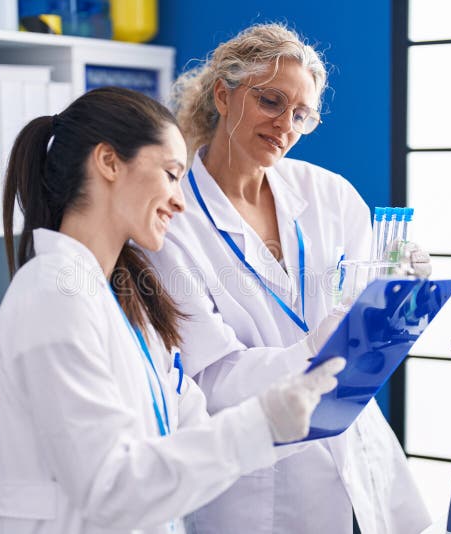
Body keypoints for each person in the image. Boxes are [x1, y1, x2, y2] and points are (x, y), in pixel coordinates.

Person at [0, 86, 344, 534]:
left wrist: (295, 404)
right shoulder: (52, 296)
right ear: (109, 162)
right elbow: (110, 488)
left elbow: (189, 434)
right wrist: (263, 425)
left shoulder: (128, 303)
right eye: (172, 174)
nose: (180, 200)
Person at [147, 23, 432, 534]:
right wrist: (313, 352)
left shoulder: (330, 195)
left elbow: (368, 341)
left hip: (357, 454)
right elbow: (209, 380)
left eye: (301, 114)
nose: (285, 125)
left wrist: (399, 301)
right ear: (223, 93)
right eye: (271, 101)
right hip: (259, 482)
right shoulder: (174, 218)